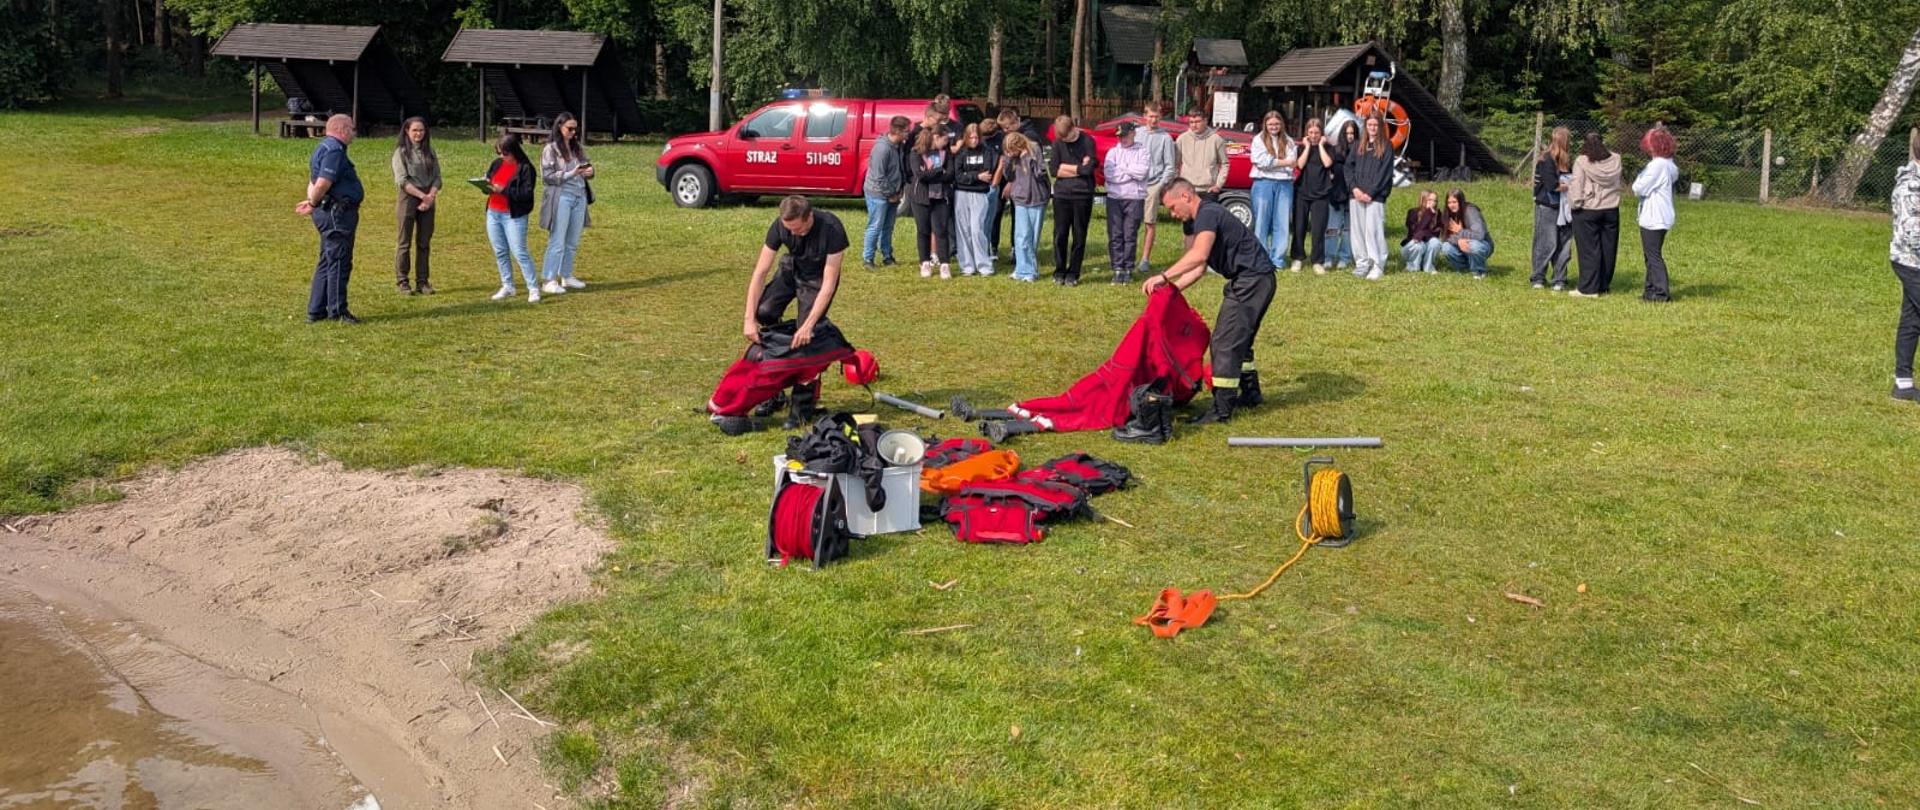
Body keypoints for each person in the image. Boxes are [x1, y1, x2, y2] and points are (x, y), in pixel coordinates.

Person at [1140, 179, 1275, 425]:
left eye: (1172, 207)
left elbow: (1198, 255)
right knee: (1240, 341)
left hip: (1252, 280)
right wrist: (1171, 290)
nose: (1172, 214)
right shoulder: (1196, 221)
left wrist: (1163, 276)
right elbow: (1199, 267)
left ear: (1186, 196)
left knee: (1224, 342)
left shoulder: (1208, 213)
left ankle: (1221, 409)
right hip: (1255, 279)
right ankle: (1251, 394)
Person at [744, 196, 849, 421]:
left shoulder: (832, 229)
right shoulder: (780, 226)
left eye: (798, 229)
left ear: (809, 217)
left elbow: (829, 283)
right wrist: (748, 319)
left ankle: (802, 406)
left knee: (807, 335)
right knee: (764, 311)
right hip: (792, 268)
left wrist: (808, 324)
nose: (792, 234)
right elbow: (760, 272)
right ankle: (774, 391)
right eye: (788, 229)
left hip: (817, 279)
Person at [295, 114, 363, 324]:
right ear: (342, 130)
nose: (354, 133)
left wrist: (311, 200)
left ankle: (316, 310)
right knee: (339, 261)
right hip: (337, 213)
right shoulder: (334, 151)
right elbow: (323, 182)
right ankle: (337, 311)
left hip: (329, 210)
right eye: (351, 128)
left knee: (327, 259)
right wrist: (313, 203)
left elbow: (313, 180)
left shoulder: (323, 147)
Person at [482, 134, 541, 303]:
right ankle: (507, 285)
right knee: (500, 251)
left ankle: (533, 287)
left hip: (513, 216)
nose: (502, 157)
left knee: (519, 252)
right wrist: (485, 185)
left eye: (505, 153)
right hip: (493, 212)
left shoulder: (526, 168)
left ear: (514, 151)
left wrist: (503, 190)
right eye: (499, 153)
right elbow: (490, 182)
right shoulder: (497, 164)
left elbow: (526, 194)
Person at [539, 113, 593, 295]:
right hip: (562, 197)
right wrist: (571, 173)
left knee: (572, 240)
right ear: (559, 127)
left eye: (575, 128)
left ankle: (567, 275)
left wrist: (590, 171)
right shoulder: (550, 149)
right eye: (569, 128)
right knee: (557, 240)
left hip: (579, 196)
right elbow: (547, 177)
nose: (573, 132)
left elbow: (586, 166)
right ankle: (549, 279)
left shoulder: (577, 147)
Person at [1568, 132, 1622, 297]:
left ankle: (1588, 288)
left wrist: (1575, 205)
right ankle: (1603, 285)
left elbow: (1577, 184)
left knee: (1589, 250)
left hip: (1588, 210)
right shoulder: (1616, 159)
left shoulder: (1582, 161)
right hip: (1611, 209)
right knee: (1608, 248)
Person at [390, 116, 440, 295]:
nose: (418, 134)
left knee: (424, 242)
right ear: (407, 132)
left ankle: (423, 281)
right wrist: (422, 196)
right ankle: (402, 281)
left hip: (428, 197)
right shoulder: (401, 153)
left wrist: (430, 196)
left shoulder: (430, 152)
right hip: (409, 198)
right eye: (415, 130)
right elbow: (401, 180)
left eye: (421, 130)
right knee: (404, 242)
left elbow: (437, 177)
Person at [1889, 128, 1920, 405]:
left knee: (1912, 319)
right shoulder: (1910, 187)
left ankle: (1903, 385)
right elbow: (1912, 234)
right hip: (1911, 263)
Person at [1049, 115, 1098, 285]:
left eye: (1067, 137)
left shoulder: (1087, 141)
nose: (1065, 142)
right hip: (1062, 195)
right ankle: (1059, 269)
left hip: (1082, 194)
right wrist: (1079, 167)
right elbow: (1054, 170)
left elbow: (1089, 169)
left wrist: (1068, 168)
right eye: (1062, 139)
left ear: (1073, 129)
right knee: (1060, 234)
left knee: (1079, 235)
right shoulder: (1057, 144)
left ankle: (1073, 272)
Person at [1345, 114, 1395, 280]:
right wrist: (1355, 189)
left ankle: (1377, 265)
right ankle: (1362, 263)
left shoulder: (1386, 146)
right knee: (1357, 231)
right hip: (1356, 194)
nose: (1372, 128)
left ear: (1380, 126)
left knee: (1373, 231)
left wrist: (1371, 193)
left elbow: (1385, 174)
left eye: (1375, 125)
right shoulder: (1358, 145)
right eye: (1370, 124)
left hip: (1375, 196)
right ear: (1365, 126)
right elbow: (1348, 168)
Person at [1634, 126, 1679, 302]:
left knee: (1652, 255)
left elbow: (1638, 188)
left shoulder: (1657, 165)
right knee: (1651, 254)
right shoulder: (1669, 164)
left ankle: (1661, 292)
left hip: (1654, 216)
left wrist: (1639, 179)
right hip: (1662, 214)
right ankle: (1650, 289)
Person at [1102, 122, 1150, 284]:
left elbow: (1142, 172)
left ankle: (1128, 268)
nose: (1122, 139)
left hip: (1134, 198)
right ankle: (1117, 268)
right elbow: (1110, 175)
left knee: (1130, 234)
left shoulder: (1142, 151)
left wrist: (1122, 169)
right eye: (1119, 136)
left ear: (1133, 133)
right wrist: (1130, 171)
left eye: (1124, 135)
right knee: (1115, 234)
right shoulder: (1112, 152)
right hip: (1115, 198)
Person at [1249, 111, 1296, 271]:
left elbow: (1293, 162)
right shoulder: (1258, 140)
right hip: (1263, 184)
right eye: (1270, 124)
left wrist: (1277, 163)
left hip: (1284, 185)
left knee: (1282, 222)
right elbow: (1261, 162)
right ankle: (1261, 258)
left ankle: (1277, 259)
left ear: (1281, 124)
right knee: (1262, 221)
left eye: (1276, 124)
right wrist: (1284, 162)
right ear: (1265, 125)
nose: (1273, 127)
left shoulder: (1288, 141)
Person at [1136, 101, 1180, 275]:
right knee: (1131, 222)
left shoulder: (1165, 138)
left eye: (1156, 116)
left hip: (1154, 184)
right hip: (1135, 183)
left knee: (1149, 221)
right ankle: (1128, 255)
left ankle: (1145, 259)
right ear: (1145, 116)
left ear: (1160, 117)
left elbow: (1170, 165)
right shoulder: (1137, 134)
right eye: (1150, 116)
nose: (1153, 120)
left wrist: (1161, 184)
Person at [862, 115, 910, 269]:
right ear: (897, 131)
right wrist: (891, 194)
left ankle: (887, 256)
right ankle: (868, 259)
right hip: (878, 193)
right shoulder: (882, 149)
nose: (908, 134)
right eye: (906, 131)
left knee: (888, 226)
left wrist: (899, 189)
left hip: (892, 193)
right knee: (875, 226)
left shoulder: (898, 146)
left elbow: (899, 169)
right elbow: (879, 176)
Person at [1001, 132, 1050, 283]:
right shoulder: (1012, 158)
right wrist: (1008, 160)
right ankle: (1021, 269)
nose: (1011, 153)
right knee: (1021, 236)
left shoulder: (1034, 149)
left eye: (1012, 150)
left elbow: (1040, 173)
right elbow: (1008, 176)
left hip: (1037, 197)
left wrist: (1030, 159)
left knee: (1032, 237)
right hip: (1020, 198)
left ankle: (1030, 271)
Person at [1530, 126, 1575, 290]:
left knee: (1564, 244)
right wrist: (1567, 186)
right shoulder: (1546, 160)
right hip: (1547, 207)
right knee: (1545, 242)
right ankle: (1538, 277)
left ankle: (1559, 279)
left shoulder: (1566, 161)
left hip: (1565, 208)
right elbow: (1551, 186)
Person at [952, 124, 998, 276]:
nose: (974, 140)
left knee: (977, 229)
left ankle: (984, 265)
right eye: (971, 137)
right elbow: (958, 176)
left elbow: (988, 173)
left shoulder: (987, 152)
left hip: (980, 194)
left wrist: (969, 176)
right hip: (961, 194)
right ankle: (967, 265)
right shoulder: (961, 153)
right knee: (963, 230)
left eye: (976, 137)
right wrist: (976, 176)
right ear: (966, 137)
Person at [1290, 118, 1335, 273]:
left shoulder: (1328, 148)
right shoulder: (1301, 148)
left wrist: (1321, 146)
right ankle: (1298, 258)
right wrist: (1308, 146)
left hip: (1321, 194)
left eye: (1317, 132)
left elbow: (1328, 163)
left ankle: (1317, 261)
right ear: (1306, 133)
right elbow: (1300, 165)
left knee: (1318, 230)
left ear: (1321, 134)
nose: (1314, 135)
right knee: (1299, 227)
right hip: (1302, 192)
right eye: (1311, 132)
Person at [908, 127, 955, 278]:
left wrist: (933, 173)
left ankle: (944, 264)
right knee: (923, 230)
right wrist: (939, 170)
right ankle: (925, 262)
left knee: (941, 230)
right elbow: (920, 175)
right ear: (936, 137)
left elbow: (950, 174)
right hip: (921, 197)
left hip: (940, 197)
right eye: (945, 140)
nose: (946, 143)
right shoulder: (916, 153)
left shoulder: (946, 153)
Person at [1440, 189, 1495, 278]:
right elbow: (1445, 237)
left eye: (1454, 202)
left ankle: (1478, 271)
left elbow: (1479, 235)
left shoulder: (1470, 211)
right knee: (1446, 247)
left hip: (1483, 244)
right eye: (1449, 202)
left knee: (1473, 245)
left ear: (1461, 201)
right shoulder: (1447, 214)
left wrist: (1460, 231)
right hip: (1461, 246)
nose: (1451, 205)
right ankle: (1465, 269)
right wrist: (1458, 241)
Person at [1329, 120, 1360, 273]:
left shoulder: (1360, 151)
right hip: (1336, 193)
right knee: (1332, 228)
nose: (1350, 136)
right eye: (1347, 133)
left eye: (1352, 133)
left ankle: (1344, 257)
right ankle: (1328, 257)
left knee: (1349, 229)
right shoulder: (1335, 151)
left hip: (1352, 194)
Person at [1175, 113, 1228, 201]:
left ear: (1205, 121)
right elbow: (1175, 164)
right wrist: (1178, 185)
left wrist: (1218, 185)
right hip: (1187, 189)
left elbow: (1224, 164)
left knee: (1207, 215)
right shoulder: (1182, 139)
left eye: (1197, 122)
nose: (1194, 125)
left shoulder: (1217, 140)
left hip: (1208, 190)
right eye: (1191, 122)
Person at [976, 117, 1004, 266]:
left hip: (993, 183)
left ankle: (990, 248)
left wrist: (994, 185)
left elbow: (1001, 164)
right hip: (977, 184)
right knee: (978, 220)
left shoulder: (1001, 140)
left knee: (990, 219)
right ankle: (978, 249)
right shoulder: (978, 139)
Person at [1399, 189, 1445, 273]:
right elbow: (1415, 234)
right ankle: (1413, 267)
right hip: (1411, 248)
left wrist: (1423, 233)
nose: (1433, 203)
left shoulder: (1438, 214)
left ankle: (1428, 267)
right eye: (1430, 200)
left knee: (1435, 242)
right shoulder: (1412, 212)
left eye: (1435, 200)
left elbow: (1435, 234)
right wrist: (1428, 214)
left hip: (1426, 247)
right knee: (1418, 245)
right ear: (1423, 199)